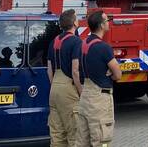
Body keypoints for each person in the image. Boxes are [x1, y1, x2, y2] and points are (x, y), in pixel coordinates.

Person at [77, 10, 122, 147]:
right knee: (101, 140)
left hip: (86, 95)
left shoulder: (83, 44)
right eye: (107, 20)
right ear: (102, 25)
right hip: (100, 99)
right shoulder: (104, 47)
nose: (109, 23)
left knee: (82, 141)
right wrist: (111, 73)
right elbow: (118, 74)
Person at [46, 9, 83, 147]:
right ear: (74, 23)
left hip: (55, 87)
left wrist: (54, 85)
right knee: (74, 134)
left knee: (57, 136)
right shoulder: (76, 42)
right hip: (69, 89)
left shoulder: (54, 41)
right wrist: (81, 92)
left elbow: (49, 69)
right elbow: (75, 71)